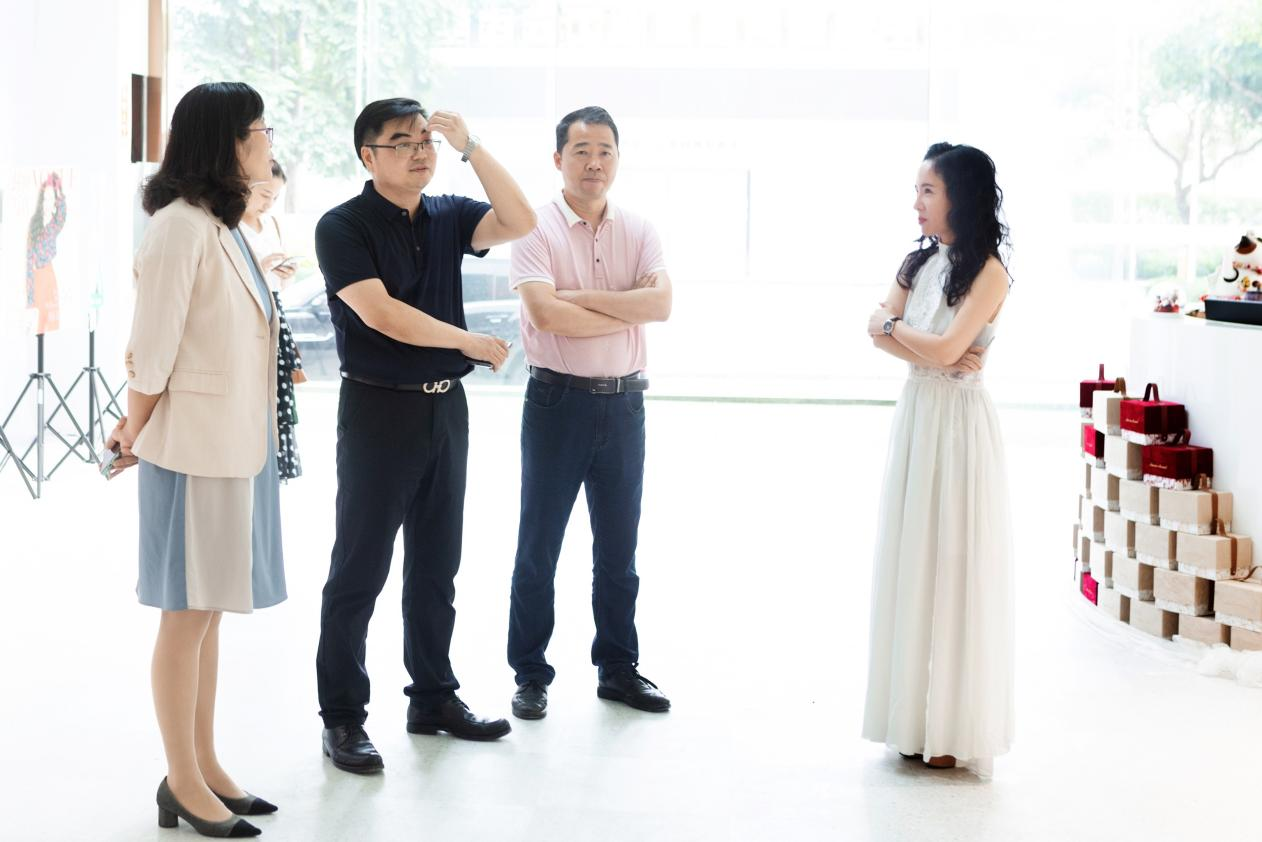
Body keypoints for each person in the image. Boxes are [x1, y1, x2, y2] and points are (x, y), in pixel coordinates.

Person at [314, 97, 536, 774]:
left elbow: (521, 220)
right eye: (401, 142)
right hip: (377, 411)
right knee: (360, 571)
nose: (419, 152)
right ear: (367, 155)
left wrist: (471, 146)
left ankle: (433, 698)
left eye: (426, 141)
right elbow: (382, 314)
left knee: (438, 566)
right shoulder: (341, 226)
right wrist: (466, 341)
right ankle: (343, 718)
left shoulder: (447, 214)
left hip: (446, 410)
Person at [105, 81, 284, 837]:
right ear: (228, 142)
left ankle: (205, 764)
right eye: (261, 130)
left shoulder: (222, 223)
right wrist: (131, 430)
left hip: (233, 445)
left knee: (208, 614)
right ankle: (181, 780)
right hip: (192, 450)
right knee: (186, 617)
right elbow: (152, 351)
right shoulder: (179, 227)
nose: (269, 142)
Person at [506, 106, 673, 721]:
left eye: (605, 151)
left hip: (625, 403)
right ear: (559, 160)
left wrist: (580, 300)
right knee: (539, 548)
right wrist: (624, 306)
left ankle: (618, 669)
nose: (594, 162)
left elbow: (661, 306)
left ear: (618, 159)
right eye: (581, 151)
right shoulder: (534, 228)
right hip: (557, 403)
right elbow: (546, 315)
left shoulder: (640, 228)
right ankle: (530, 674)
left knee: (619, 551)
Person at [861, 142, 1014, 777]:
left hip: (957, 425)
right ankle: (912, 722)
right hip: (919, 414)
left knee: (954, 565)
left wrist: (894, 331)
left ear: (961, 196)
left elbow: (943, 350)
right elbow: (885, 333)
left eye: (928, 190)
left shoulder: (991, 272)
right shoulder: (916, 262)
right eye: (917, 190)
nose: (917, 203)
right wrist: (911, 340)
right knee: (914, 560)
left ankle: (951, 728)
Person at [241, 159, 305, 481]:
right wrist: (263, 268)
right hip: (249, 317)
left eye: (275, 197)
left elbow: (280, 285)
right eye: (265, 195)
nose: (269, 203)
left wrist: (286, 272)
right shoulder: (231, 228)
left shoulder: (272, 225)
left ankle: (274, 468)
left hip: (275, 311)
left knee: (277, 393)